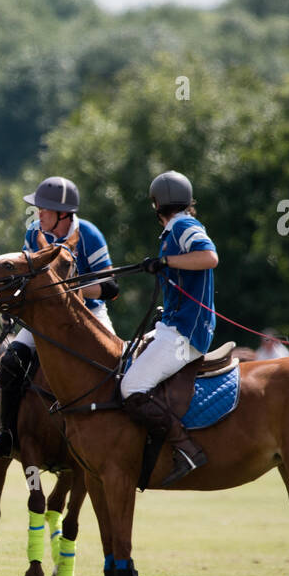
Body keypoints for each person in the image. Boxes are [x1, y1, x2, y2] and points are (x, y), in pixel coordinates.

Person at [0, 176, 118, 458]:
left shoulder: (90, 235)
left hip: (88, 317)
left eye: (44, 209)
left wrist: (69, 287)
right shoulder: (34, 233)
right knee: (10, 363)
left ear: (63, 215)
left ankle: (115, 435)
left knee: (114, 367)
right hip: (43, 319)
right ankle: (6, 434)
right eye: (39, 209)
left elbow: (110, 288)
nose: (39, 214)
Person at [119, 170, 219, 487]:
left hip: (186, 333)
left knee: (131, 387)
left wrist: (166, 263)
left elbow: (209, 257)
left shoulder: (183, 225)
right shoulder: (176, 230)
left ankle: (186, 448)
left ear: (156, 204)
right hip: (176, 325)